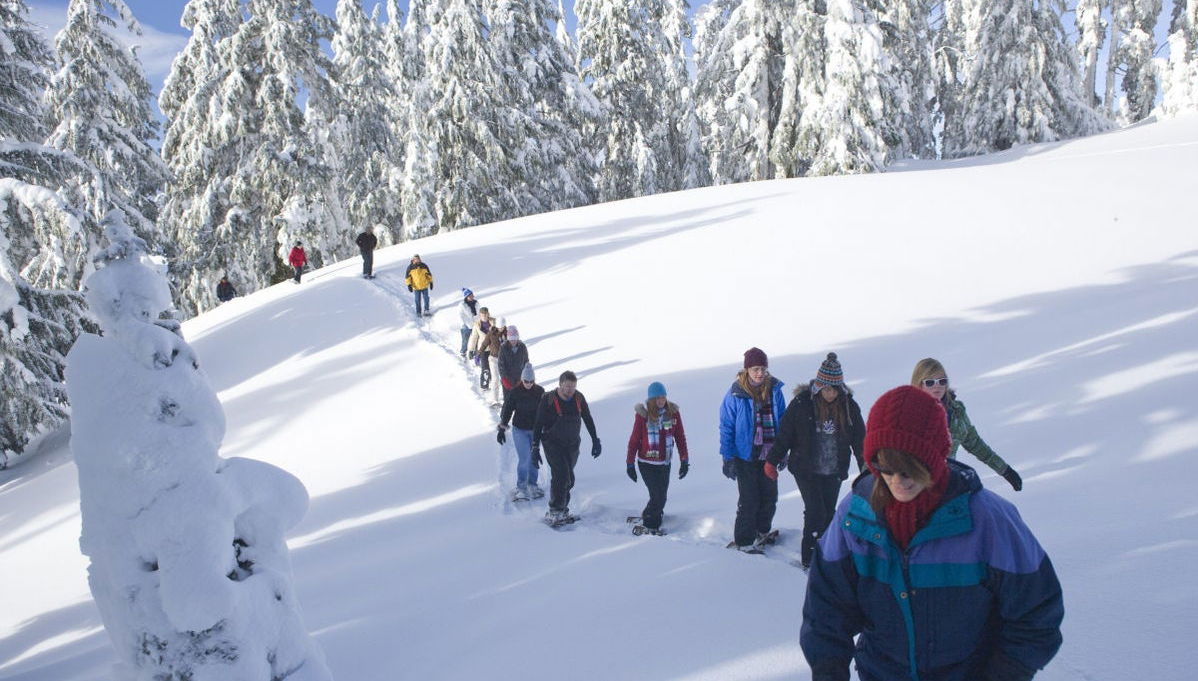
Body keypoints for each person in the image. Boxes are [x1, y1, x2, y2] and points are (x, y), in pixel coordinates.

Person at [800, 385, 1063, 681]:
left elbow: (1036, 613)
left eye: (911, 467)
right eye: (885, 467)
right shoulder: (854, 517)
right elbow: (826, 609)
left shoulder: (988, 521)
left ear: (937, 456)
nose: (898, 480)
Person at [765, 352, 865, 569]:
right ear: (818, 386)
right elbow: (785, 435)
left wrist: (866, 467)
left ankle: (827, 556)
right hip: (806, 468)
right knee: (815, 511)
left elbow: (860, 440)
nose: (830, 394)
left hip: (834, 469)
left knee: (829, 513)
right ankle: (809, 559)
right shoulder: (802, 403)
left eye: (834, 389)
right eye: (826, 388)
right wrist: (772, 461)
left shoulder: (848, 406)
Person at [911, 357, 1023, 491]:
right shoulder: (909, 414)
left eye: (942, 381)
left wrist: (1005, 470)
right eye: (930, 382)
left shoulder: (956, 413)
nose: (937, 386)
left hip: (947, 483)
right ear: (919, 384)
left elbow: (974, 443)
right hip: (916, 487)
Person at [719, 347, 787, 553]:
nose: (760, 373)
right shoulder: (735, 394)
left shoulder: (775, 390)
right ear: (747, 369)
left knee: (769, 497)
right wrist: (727, 457)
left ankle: (761, 530)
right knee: (749, 499)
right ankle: (744, 540)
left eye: (763, 369)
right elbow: (726, 426)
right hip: (744, 455)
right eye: (756, 368)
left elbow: (784, 422)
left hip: (769, 453)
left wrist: (783, 451)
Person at [532, 370, 600, 525]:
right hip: (552, 443)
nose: (570, 390)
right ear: (560, 385)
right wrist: (535, 447)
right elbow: (538, 423)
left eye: (573, 387)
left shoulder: (578, 398)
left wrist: (595, 440)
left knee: (569, 479)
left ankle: (562, 509)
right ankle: (554, 511)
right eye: (567, 386)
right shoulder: (548, 399)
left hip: (572, 444)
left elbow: (588, 418)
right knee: (561, 475)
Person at [625, 381, 689, 535]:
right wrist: (630, 464)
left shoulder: (672, 413)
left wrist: (684, 460)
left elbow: (680, 437)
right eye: (657, 398)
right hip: (646, 463)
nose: (661, 401)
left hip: (664, 463)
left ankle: (651, 513)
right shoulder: (643, 416)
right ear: (651, 400)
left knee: (662, 497)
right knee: (658, 496)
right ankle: (650, 523)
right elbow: (634, 440)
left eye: (663, 397)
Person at [498, 362, 545, 501]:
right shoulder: (515, 392)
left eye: (531, 381)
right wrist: (502, 428)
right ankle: (521, 487)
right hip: (520, 430)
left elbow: (545, 412)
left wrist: (548, 427)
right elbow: (507, 410)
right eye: (526, 381)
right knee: (525, 458)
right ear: (522, 380)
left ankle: (533, 484)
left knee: (534, 457)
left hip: (535, 430)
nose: (529, 384)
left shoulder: (540, 392)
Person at [497, 324, 529, 399]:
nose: (513, 341)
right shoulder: (503, 348)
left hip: (520, 379)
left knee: (520, 401)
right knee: (508, 401)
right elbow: (501, 364)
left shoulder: (522, 347)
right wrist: (504, 379)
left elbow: (526, 361)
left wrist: (526, 376)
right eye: (511, 339)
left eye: (515, 339)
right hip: (508, 379)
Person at [458, 288, 478, 357]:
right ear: (466, 297)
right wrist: (467, 324)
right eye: (470, 295)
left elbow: (478, 313)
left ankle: (474, 353)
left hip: (475, 325)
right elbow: (462, 316)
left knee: (475, 340)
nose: (472, 296)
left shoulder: (476, 303)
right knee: (466, 340)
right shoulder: (462, 305)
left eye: (472, 295)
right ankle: (463, 351)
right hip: (466, 326)